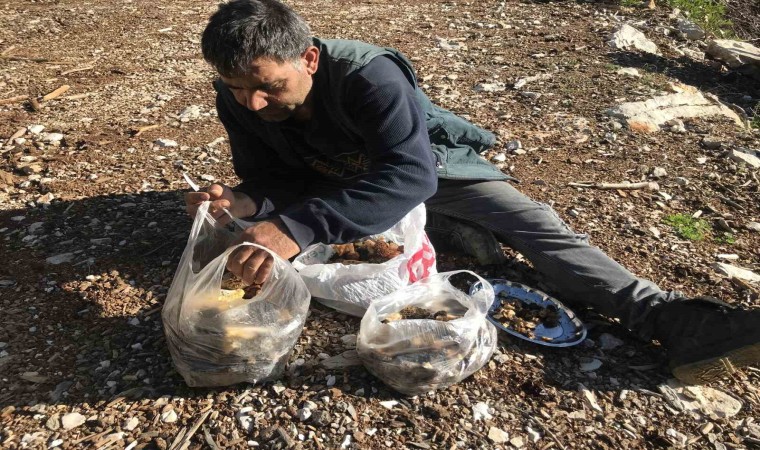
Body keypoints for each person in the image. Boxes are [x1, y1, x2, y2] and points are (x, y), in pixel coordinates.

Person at [185, 0, 759, 385]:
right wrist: (246, 200)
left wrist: (293, 227)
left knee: (534, 225)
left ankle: (671, 320)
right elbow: (274, 176)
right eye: (236, 89)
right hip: (333, 180)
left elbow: (410, 176)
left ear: (309, 58)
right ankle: (447, 232)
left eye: (269, 87)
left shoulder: (368, 76)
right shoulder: (240, 96)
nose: (252, 103)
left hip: (424, 168)